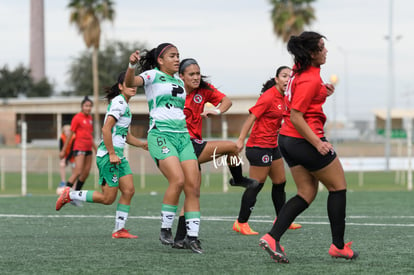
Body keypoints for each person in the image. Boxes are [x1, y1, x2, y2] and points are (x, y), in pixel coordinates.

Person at [259, 31, 358, 263]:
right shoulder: (309, 78)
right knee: (338, 188)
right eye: (322, 47)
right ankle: (338, 246)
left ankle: (273, 238)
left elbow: (301, 96)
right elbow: (296, 115)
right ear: (312, 53)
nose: (326, 51)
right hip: (303, 140)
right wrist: (318, 143)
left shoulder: (299, 72)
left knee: (306, 193)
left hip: (287, 140)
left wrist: (323, 92)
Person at [171, 58, 259, 248]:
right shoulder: (173, 92)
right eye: (191, 74)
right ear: (181, 76)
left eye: (198, 73)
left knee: (192, 192)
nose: (196, 77)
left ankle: (179, 239)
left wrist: (217, 111)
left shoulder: (203, 89)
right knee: (232, 147)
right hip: (181, 144)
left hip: (194, 144)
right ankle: (238, 179)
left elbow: (227, 101)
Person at [125, 43, 203, 254]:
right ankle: (165, 229)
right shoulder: (152, 76)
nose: (177, 59)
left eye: (178, 55)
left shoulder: (179, 79)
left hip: (183, 137)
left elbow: (197, 89)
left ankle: (192, 238)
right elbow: (131, 82)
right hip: (161, 135)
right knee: (177, 180)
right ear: (160, 60)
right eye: (172, 56)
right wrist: (131, 66)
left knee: (193, 186)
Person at [56, 71, 148, 239]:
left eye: (135, 84)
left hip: (118, 156)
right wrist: (112, 154)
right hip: (109, 157)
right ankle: (70, 194)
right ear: (121, 87)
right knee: (108, 199)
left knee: (129, 190)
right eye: (129, 84)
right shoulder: (119, 103)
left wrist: (142, 144)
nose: (134, 87)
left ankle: (119, 230)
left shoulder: (125, 105)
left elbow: (124, 135)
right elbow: (106, 129)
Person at [233, 66, 301, 235]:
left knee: (280, 182)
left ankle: (282, 219)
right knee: (256, 185)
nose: (287, 79)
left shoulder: (286, 98)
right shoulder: (269, 96)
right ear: (277, 79)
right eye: (284, 76)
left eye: (290, 76)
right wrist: (241, 139)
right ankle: (241, 222)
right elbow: (251, 118)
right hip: (258, 147)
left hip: (272, 145)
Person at [59, 96, 97, 195]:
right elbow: (70, 135)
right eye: (86, 106)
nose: (88, 108)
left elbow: (90, 135)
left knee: (86, 173)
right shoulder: (77, 118)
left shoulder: (90, 118)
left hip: (88, 149)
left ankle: (75, 195)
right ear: (82, 106)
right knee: (77, 172)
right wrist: (63, 150)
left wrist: (96, 148)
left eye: (90, 106)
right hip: (79, 148)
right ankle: (64, 195)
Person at [56, 125, 75, 195]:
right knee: (62, 164)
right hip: (65, 155)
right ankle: (63, 181)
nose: (67, 132)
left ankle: (74, 186)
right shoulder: (62, 138)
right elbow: (61, 149)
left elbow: (72, 150)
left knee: (74, 169)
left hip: (72, 156)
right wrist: (63, 158)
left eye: (68, 131)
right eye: (65, 131)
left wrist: (67, 159)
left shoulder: (73, 138)